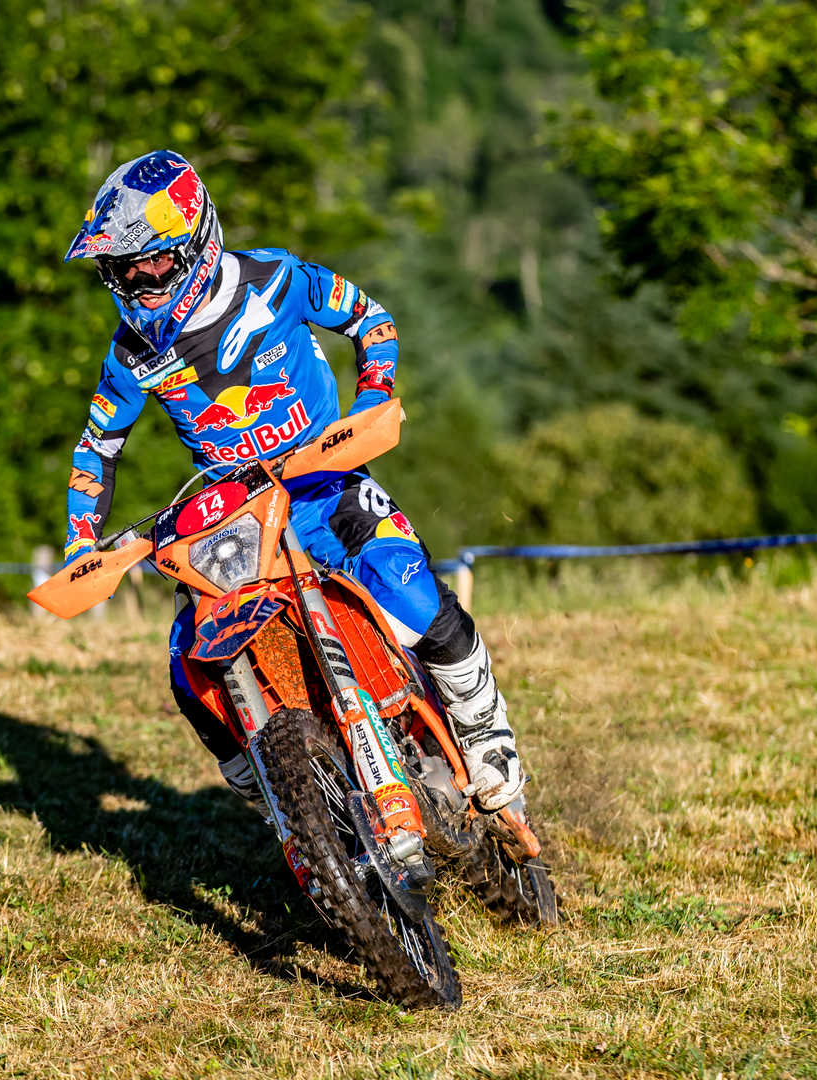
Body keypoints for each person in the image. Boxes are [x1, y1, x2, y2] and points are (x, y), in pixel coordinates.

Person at [58, 150, 524, 813]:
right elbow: (96, 446)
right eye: (122, 269)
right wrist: (81, 541)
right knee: (188, 664)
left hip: (326, 485)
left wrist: (372, 396)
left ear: (195, 243)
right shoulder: (131, 352)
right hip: (237, 518)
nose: (139, 280)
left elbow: (371, 320)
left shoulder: (275, 278)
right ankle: (270, 786)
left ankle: (485, 734)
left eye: (152, 262)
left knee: (408, 587)